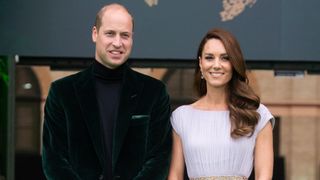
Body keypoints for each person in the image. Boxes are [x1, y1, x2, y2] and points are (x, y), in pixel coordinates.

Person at [42, 3, 172, 180]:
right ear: (95, 34)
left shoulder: (154, 93)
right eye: (110, 33)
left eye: (125, 35)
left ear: (132, 38)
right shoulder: (62, 93)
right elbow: (55, 160)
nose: (117, 43)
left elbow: (159, 159)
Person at [168, 28, 274, 180]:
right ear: (200, 63)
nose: (216, 65)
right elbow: (175, 175)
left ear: (234, 63)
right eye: (209, 57)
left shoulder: (258, 115)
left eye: (225, 58)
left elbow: (263, 175)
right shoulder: (181, 116)